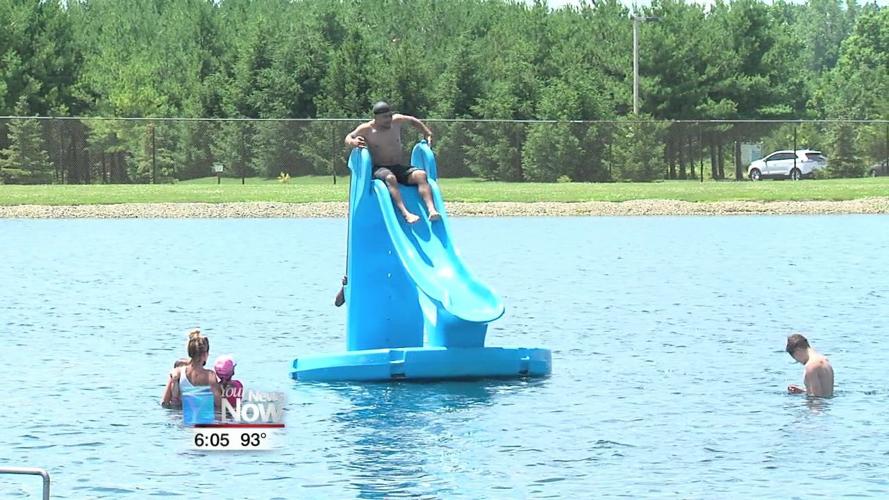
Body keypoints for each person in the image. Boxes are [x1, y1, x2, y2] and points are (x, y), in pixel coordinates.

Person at [344, 101, 441, 225]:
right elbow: (348, 137)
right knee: (390, 178)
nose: (388, 120)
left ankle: (431, 210)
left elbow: (412, 120)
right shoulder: (366, 129)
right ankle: (406, 214)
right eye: (385, 117)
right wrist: (353, 142)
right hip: (379, 168)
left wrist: (427, 132)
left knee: (421, 175)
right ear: (376, 118)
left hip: (397, 167)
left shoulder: (397, 121)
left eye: (389, 116)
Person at [162, 329, 222, 421]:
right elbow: (219, 406)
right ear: (205, 354)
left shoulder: (176, 373)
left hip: (181, 421)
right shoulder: (210, 376)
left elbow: (164, 403)